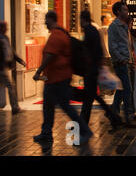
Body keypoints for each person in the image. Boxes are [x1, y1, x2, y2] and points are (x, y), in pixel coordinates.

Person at [32, 11, 93, 145]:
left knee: (65, 106)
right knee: (50, 106)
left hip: (57, 78)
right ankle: (46, 132)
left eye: (46, 20)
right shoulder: (62, 33)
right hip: (56, 78)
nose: (44, 23)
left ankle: (84, 130)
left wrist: (39, 71)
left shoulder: (56, 35)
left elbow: (50, 56)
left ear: (50, 19)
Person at [79, 10, 122, 129]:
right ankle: (113, 116)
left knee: (89, 99)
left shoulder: (91, 30)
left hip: (91, 70)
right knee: (93, 97)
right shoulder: (93, 30)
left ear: (83, 19)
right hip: (93, 69)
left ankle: (84, 124)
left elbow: (92, 50)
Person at [108, 1, 135, 127]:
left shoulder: (125, 26)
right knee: (127, 90)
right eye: (124, 9)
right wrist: (121, 59)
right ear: (118, 12)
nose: (127, 11)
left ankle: (113, 113)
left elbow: (127, 45)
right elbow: (112, 47)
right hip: (121, 62)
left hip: (126, 61)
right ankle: (128, 118)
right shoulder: (114, 26)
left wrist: (131, 58)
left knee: (121, 89)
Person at [0, 21, 26, 115]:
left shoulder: (6, 38)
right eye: (5, 27)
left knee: (10, 86)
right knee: (11, 86)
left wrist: (20, 60)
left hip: (5, 67)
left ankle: (15, 107)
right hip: (2, 68)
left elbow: (11, 51)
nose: (6, 29)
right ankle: (15, 107)